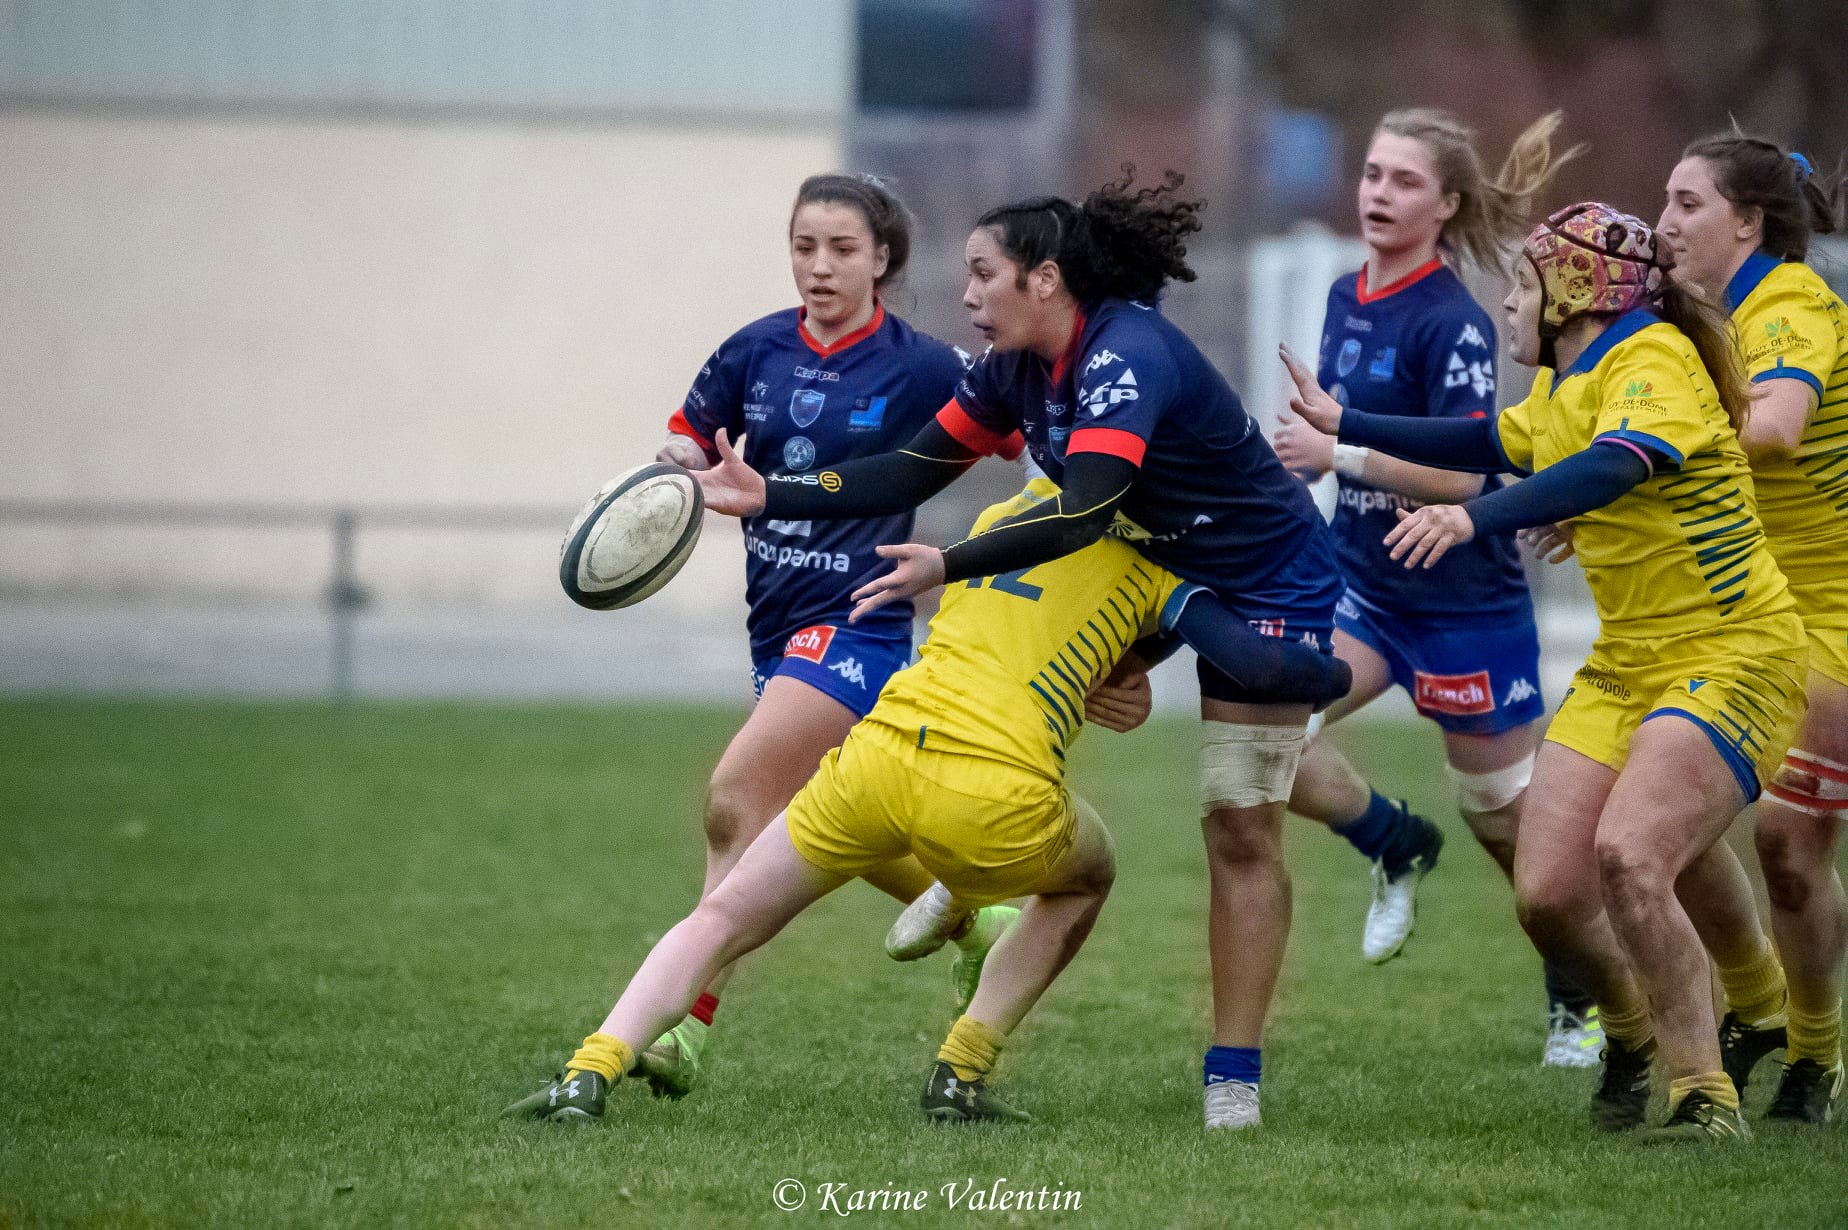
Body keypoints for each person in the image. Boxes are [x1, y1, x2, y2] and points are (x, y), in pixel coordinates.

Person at [695, 170, 1347, 1130]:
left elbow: (1082, 509)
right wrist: (771, 494)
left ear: (1044, 281)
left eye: (983, 274)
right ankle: (971, 881)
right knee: (1027, 719)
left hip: (1261, 580)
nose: (965, 296)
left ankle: (1232, 1076)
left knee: (1240, 825)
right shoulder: (1012, 367)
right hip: (1143, 563)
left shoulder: (1127, 356)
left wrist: (949, 563)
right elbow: (918, 463)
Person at [502, 479, 1352, 1124]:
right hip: (994, 796)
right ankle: (962, 1067)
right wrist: (1343, 666)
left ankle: (589, 1068)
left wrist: (1107, 673)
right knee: (1085, 878)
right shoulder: (1163, 564)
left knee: (722, 914)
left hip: (874, 756)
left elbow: (1021, 633)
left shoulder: (997, 522)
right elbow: (1260, 665)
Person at [1284, 201, 1808, 1143]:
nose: (1510, 303)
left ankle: (1705, 1095)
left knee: (1632, 856)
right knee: (1550, 897)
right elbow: (1492, 440)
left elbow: (1614, 466)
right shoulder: (1572, 380)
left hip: (1734, 650)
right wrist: (1348, 426)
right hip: (1627, 663)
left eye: (1524, 285)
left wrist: (1469, 519)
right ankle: (1634, 1031)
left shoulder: (1649, 357)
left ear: (1573, 293)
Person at [642, 173, 1018, 1098]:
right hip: (773, 628)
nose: (819, 266)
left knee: (737, 801)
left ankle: (681, 1027)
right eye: (805, 246)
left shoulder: (925, 366)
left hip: (860, 624)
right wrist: (674, 468)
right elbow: (691, 440)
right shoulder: (754, 350)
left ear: (882, 260)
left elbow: (1020, 438)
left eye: (842, 249)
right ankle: (979, 921)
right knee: (814, 824)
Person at [1269, 108, 1601, 1065]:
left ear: (1447, 203)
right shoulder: (1343, 294)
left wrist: (1339, 452)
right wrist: (1301, 468)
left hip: (1464, 605)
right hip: (1363, 590)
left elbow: (1463, 479)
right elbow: (1338, 445)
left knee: (1504, 820)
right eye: (1372, 173)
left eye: (1404, 181)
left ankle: (1576, 995)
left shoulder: (1452, 319)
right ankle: (1392, 841)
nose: (1379, 193)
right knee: (1264, 735)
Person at [1651, 133, 1847, 1125]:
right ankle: (1763, 1008)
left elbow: (1769, 430)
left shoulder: (1792, 307)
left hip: (1834, 618)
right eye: (1664, 202)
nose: (1663, 224)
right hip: (1749, 615)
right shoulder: (1703, 322)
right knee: (1661, 823)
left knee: (1786, 843)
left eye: (1687, 203)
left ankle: (1813, 1053)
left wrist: (1636, 454)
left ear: (1747, 223)